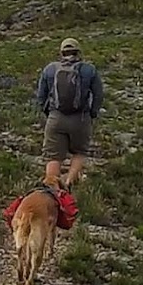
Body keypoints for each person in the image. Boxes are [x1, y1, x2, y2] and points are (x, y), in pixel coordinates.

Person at [35, 36, 104, 191]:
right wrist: (92, 113)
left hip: (56, 117)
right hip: (80, 118)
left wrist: (49, 113)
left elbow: (41, 96)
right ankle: (68, 183)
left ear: (61, 52)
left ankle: (51, 187)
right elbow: (98, 95)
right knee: (80, 152)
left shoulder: (50, 69)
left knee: (53, 156)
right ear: (78, 52)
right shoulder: (89, 69)